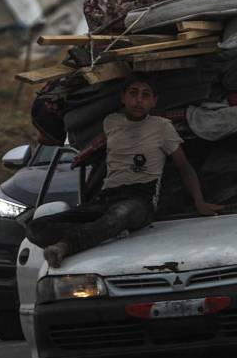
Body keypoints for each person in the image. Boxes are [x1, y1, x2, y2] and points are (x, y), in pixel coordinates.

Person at [27, 74, 223, 268]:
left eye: (146, 95)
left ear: (154, 102)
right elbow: (104, 140)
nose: (139, 100)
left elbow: (184, 167)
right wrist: (87, 151)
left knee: (119, 215)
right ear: (123, 98)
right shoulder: (111, 121)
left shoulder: (162, 127)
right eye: (133, 93)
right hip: (106, 198)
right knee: (36, 227)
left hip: (140, 200)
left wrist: (199, 202)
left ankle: (65, 246)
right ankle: (103, 231)